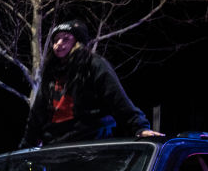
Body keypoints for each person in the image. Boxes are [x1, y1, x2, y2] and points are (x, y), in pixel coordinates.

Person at [20, 19, 163, 148]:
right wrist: (26, 146)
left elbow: (117, 98)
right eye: (56, 40)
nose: (59, 44)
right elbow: (37, 114)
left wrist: (140, 128)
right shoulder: (51, 72)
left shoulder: (93, 65)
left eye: (65, 39)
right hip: (57, 148)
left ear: (77, 42)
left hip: (90, 145)